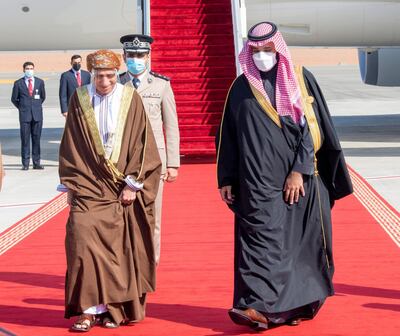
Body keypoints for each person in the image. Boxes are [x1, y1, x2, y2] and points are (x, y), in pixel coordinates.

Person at [216, 22, 353, 331]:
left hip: (298, 182)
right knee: (258, 243)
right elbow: (228, 136)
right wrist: (226, 178)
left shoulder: (300, 81)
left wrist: (299, 171)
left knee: (299, 247)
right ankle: (255, 307)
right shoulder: (240, 87)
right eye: (256, 51)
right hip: (256, 184)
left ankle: (294, 306)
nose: (262, 56)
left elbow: (312, 130)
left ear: (278, 49)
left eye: (268, 50)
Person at [58, 49, 161, 332]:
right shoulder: (79, 99)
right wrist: (72, 182)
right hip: (88, 186)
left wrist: (133, 184)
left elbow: (142, 143)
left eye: (110, 75)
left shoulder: (131, 99)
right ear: (91, 74)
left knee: (117, 252)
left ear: (118, 74)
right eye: (100, 76)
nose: (105, 81)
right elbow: (71, 144)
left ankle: (112, 310)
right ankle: (87, 310)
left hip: (121, 188)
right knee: (81, 243)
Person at [119, 34, 180, 264]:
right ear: (124, 57)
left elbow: (171, 125)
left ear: (148, 57)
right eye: (131, 55)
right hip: (122, 163)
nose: (136, 59)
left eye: (140, 55)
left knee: (152, 215)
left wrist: (173, 163)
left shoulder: (162, 85)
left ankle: (150, 264)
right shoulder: (116, 84)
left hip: (154, 163)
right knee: (124, 216)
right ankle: (127, 263)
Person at [11, 61, 46, 170]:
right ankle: (25, 163)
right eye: (27, 68)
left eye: (31, 68)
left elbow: (43, 97)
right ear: (24, 70)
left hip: (37, 115)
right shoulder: (18, 83)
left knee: (36, 139)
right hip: (25, 116)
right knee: (25, 140)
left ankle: (36, 162)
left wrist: (35, 106)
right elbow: (14, 99)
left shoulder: (40, 82)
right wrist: (22, 108)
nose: (29, 70)